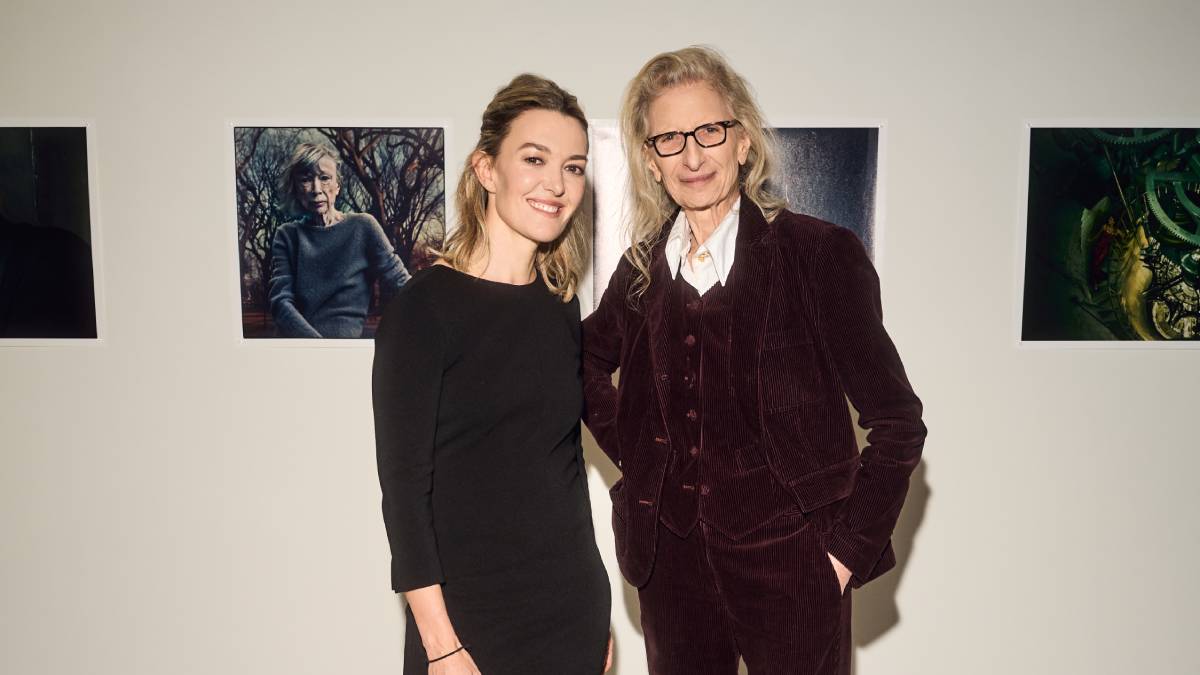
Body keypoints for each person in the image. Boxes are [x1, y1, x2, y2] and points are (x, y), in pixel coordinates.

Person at [583, 47, 927, 675]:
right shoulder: (639, 273)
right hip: (673, 578)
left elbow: (899, 423)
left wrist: (842, 554)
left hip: (794, 568)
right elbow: (579, 364)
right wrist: (642, 454)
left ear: (742, 141)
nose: (692, 155)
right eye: (669, 140)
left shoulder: (819, 255)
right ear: (652, 161)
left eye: (709, 131)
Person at [372, 74, 612, 674]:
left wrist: (596, 614)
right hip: (465, 624)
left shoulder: (560, 304)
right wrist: (441, 645)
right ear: (486, 169)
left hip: (569, 611)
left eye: (574, 166)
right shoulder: (424, 308)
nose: (556, 184)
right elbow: (404, 493)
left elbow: (560, 473)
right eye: (535, 159)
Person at [268, 143, 410, 338]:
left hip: (346, 352)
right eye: (306, 180)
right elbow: (280, 302)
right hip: (297, 351)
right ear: (296, 188)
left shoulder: (363, 226)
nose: (316, 189)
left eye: (325, 178)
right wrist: (320, 348)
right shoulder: (286, 235)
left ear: (337, 186)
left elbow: (402, 282)